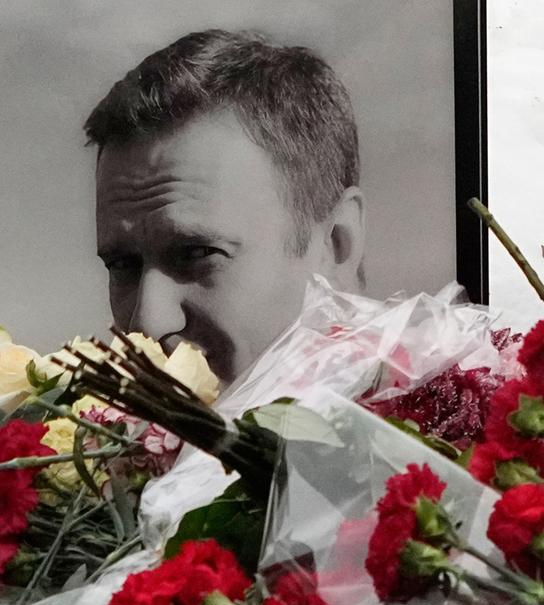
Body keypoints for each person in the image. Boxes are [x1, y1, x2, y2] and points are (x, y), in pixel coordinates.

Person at [86, 28, 366, 385]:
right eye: (122, 265)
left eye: (198, 253)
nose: (147, 324)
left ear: (337, 244)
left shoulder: (448, 431)